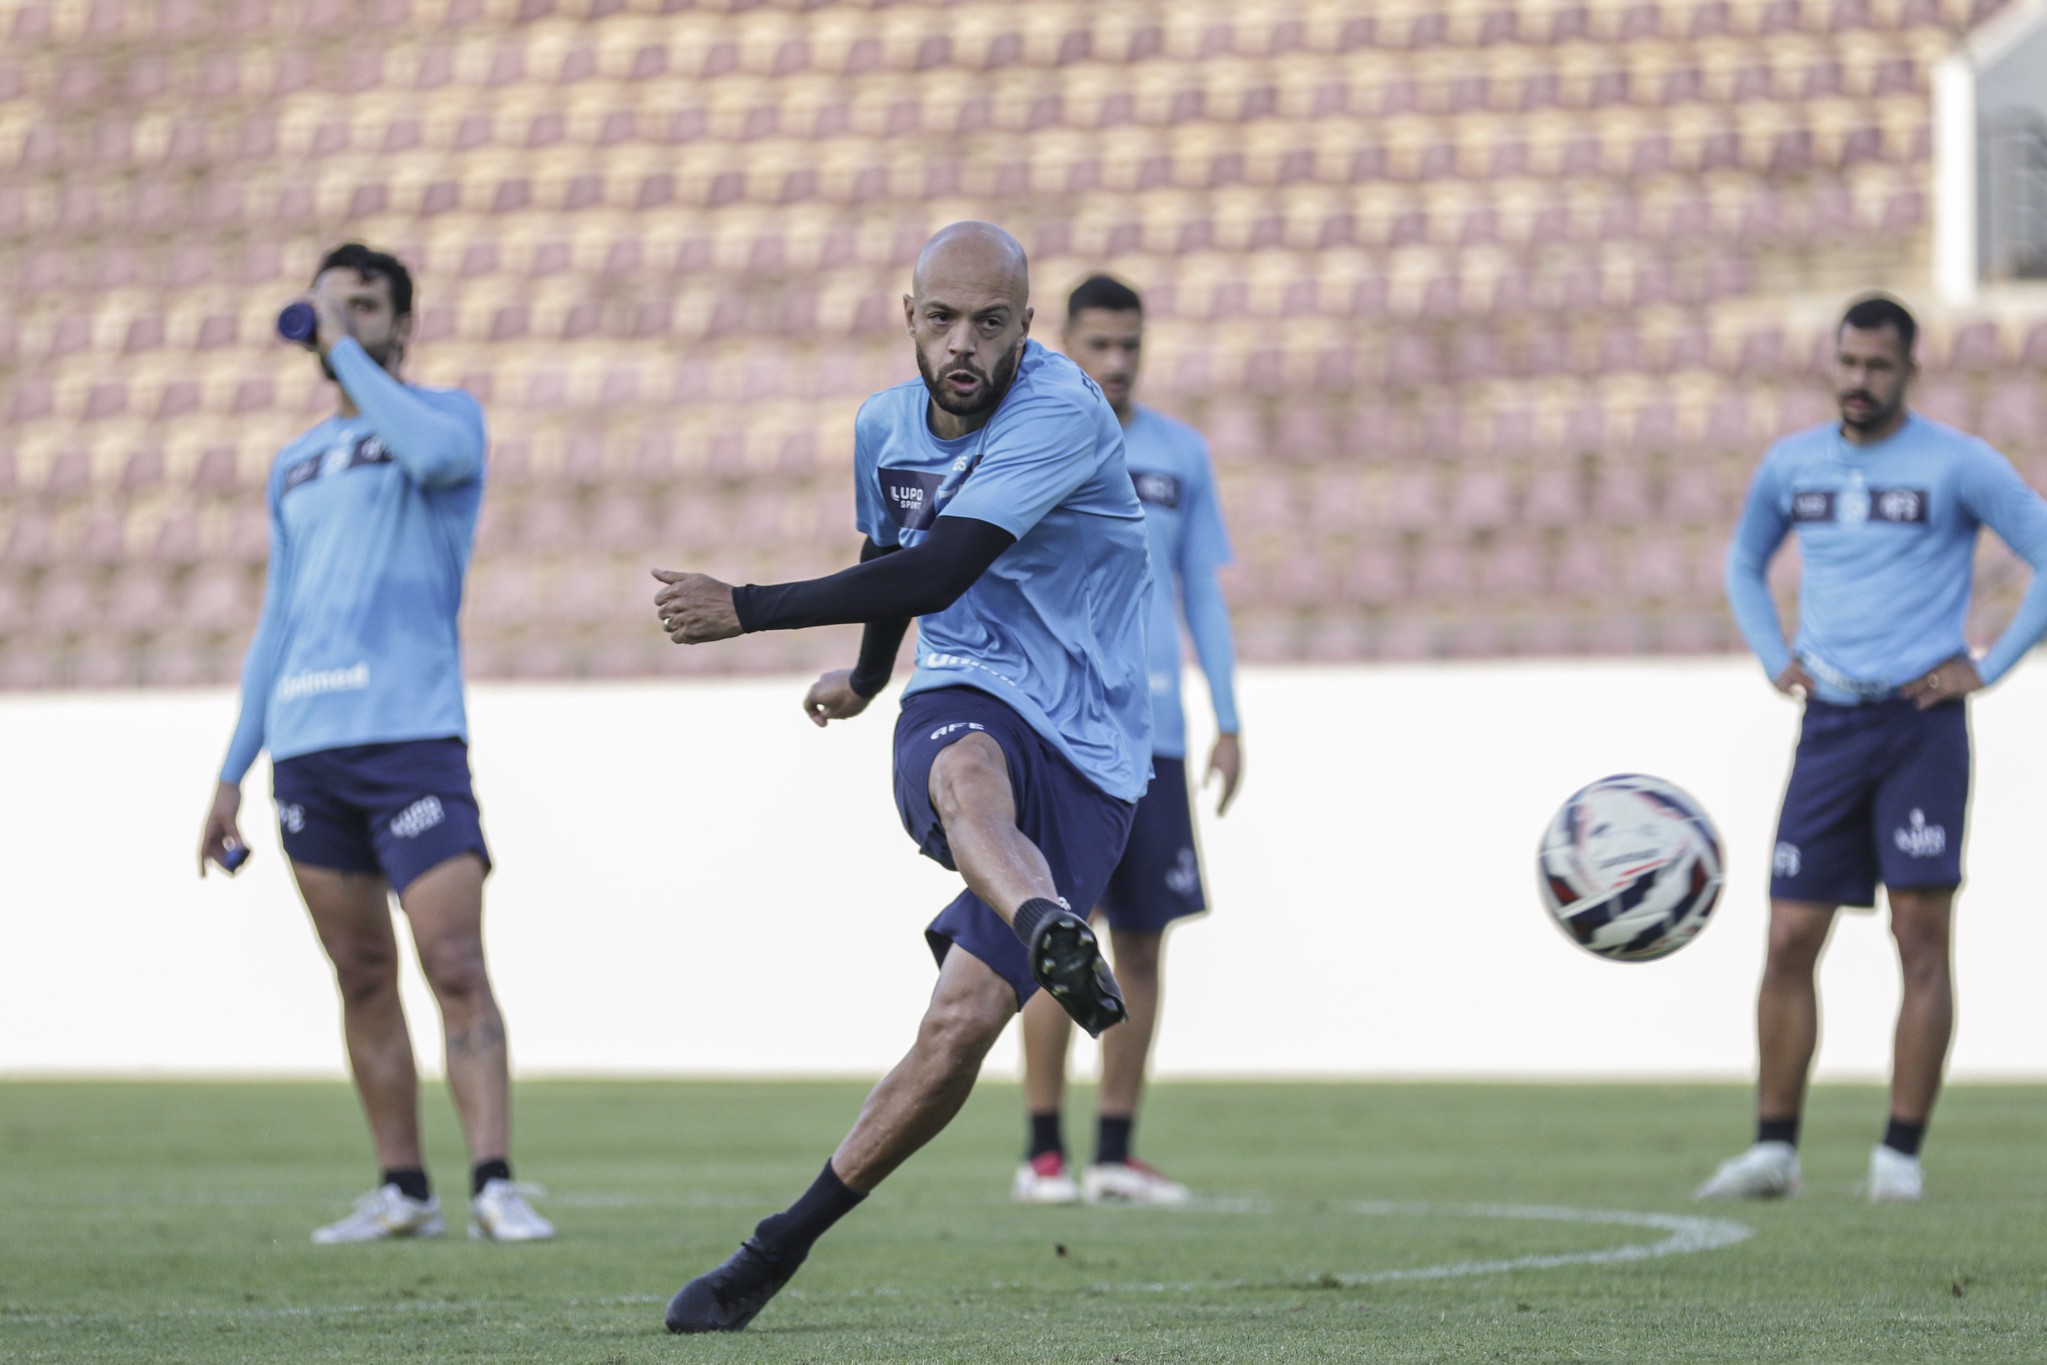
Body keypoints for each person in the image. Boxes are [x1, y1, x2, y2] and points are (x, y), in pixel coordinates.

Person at [648, 221, 1153, 1333]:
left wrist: (748, 607)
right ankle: (1048, 924)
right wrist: (877, 682)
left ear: (1027, 327)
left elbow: (943, 562)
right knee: (964, 770)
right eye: (941, 320)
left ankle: (784, 1241)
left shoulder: (1061, 412)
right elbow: (893, 565)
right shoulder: (883, 425)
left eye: (989, 322)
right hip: (966, 687)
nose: (962, 344)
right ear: (907, 319)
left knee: (955, 1032)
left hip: (1096, 748)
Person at [197, 244, 552, 1244]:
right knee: (359, 974)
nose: (345, 321)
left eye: (366, 307)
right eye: (331, 306)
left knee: (451, 958)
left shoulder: (446, 419)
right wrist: (233, 771)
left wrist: (343, 351)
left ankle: (494, 1180)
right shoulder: (294, 462)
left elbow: (438, 462)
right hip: (311, 748)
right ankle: (405, 1189)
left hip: (411, 739)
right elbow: (280, 618)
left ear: (403, 324)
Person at [1701, 294, 2047, 1203]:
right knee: (1786, 934)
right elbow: (1743, 561)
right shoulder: (1791, 465)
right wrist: (1775, 656)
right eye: (1847, 363)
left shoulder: (1956, 463)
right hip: (1829, 725)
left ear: (1909, 370)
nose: (1859, 381)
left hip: (1918, 725)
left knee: (1919, 933)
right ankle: (1773, 1147)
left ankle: (1898, 1156)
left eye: (1878, 366)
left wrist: (1991, 664)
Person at [1011, 275, 1243, 1207]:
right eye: (1097, 345)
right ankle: (1042, 1153)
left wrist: (1226, 714)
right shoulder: (1031, 444)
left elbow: (1202, 593)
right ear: (1063, 343)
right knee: (1055, 938)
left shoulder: (1180, 454)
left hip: (1156, 735)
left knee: (1143, 945)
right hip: (1062, 730)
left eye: (1129, 346)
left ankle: (1112, 1151)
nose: (1115, 362)